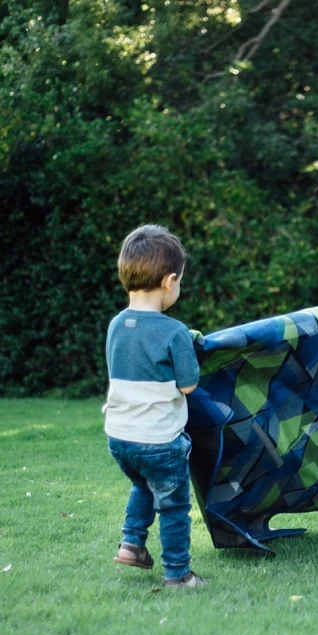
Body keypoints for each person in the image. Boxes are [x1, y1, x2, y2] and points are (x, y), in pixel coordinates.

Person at [103, 224, 207, 587]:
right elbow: (189, 385)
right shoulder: (174, 332)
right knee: (175, 506)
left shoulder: (116, 325)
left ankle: (132, 544)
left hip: (119, 438)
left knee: (144, 484)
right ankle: (179, 574)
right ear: (170, 280)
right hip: (159, 441)